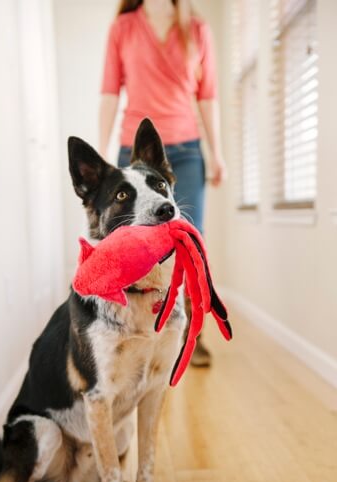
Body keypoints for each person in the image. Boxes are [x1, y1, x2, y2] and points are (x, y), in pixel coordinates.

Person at [99, 0, 226, 367]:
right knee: (135, 244)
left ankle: (191, 333)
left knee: (190, 242)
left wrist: (217, 154)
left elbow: (208, 96)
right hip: (132, 151)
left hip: (185, 150)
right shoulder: (123, 27)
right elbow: (109, 92)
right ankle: (134, 329)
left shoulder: (197, 28)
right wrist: (105, 151)